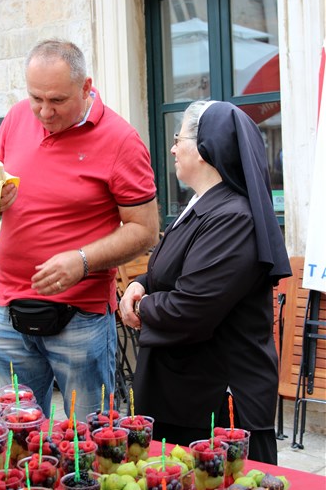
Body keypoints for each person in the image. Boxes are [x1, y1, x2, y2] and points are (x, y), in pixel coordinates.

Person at [0, 39, 159, 421]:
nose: (44, 111)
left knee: (88, 437)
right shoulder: (16, 118)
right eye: (36, 98)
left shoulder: (121, 139)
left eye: (57, 100)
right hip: (9, 310)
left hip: (80, 318)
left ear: (86, 87)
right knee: (17, 435)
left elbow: (144, 230)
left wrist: (82, 260)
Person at [119, 100, 291, 464]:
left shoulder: (233, 218)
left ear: (203, 148)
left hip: (215, 409)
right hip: (185, 396)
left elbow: (192, 306)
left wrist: (140, 306)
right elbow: (175, 269)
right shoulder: (203, 203)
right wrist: (143, 283)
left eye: (178, 139)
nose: (172, 149)